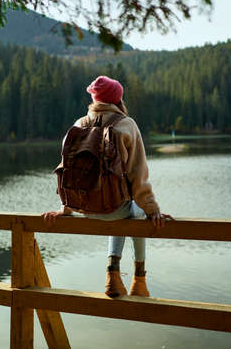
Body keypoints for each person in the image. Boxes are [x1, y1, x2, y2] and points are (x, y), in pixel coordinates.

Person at [42, 75, 173, 298]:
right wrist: (154, 211)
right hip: (113, 211)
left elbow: (66, 171)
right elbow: (138, 177)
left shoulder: (77, 125)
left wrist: (65, 209)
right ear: (116, 100)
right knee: (132, 209)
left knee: (118, 205)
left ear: (95, 100)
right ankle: (138, 279)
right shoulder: (126, 125)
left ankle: (112, 277)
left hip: (84, 212)